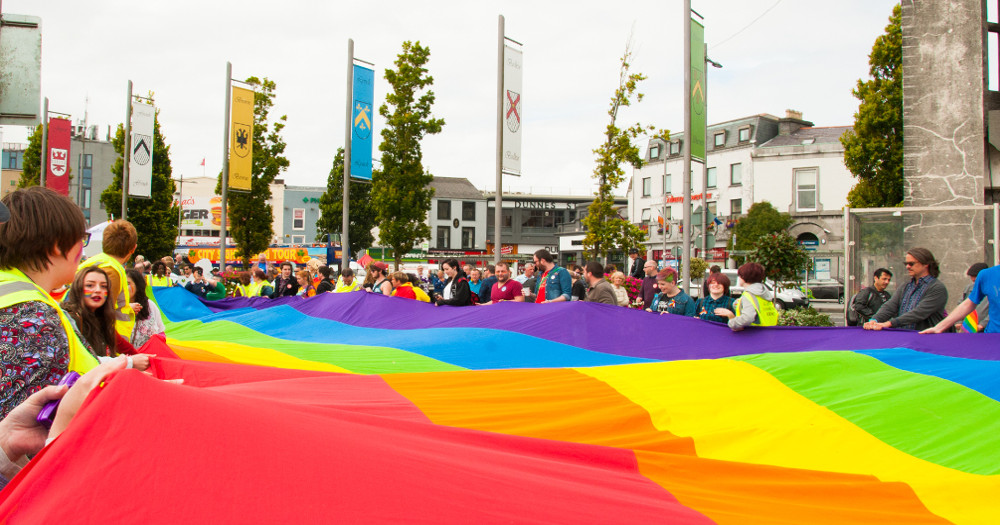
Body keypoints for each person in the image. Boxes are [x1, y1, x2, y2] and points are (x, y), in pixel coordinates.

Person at [0, 188, 101, 418]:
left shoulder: (17, 297)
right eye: (81, 239)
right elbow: (26, 429)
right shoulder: (32, 318)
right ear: (58, 244)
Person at [77, 220, 137, 340]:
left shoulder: (95, 262)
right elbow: (101, 312)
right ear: (133, 248)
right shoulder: (111, 271)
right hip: (102, 343)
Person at [865, 248, 948, 332]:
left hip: (926, 339)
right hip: (904, 337)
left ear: (926, 264)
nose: (907, 267)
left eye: (911, 264)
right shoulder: (906, 286)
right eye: (906, 263)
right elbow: (890, 306)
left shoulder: (937, 288)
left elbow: (919, 313)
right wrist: (874, 320)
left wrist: (889, 323)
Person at [922, 263, 998, 334]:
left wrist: (982, 325)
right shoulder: (986, 275)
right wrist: (939, 327)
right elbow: (968, 304)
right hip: (993, 336)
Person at [717, 262, 779, 331]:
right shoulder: (763, 293)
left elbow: (748, 317)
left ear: (743, 277)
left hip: (754, 335)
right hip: (769, 331)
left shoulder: (748, 295)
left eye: (739, 276)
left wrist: (732, 323)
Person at [126, 268, 165, 349]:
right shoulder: (115, 306)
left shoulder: (149, 305)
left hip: (147, 356)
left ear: (137, 285)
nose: (124, 287)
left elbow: (161, 333)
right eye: (121, 283)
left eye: (128, 283)